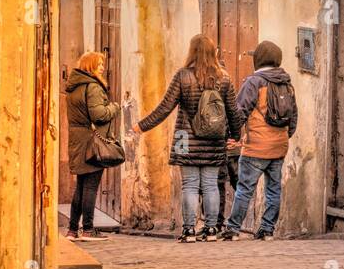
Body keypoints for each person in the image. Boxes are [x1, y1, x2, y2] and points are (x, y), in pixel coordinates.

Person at [134, 33, 242, 243]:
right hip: (214, 139)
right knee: (211, 184)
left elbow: (165, 107)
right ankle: (211, 230)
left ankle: (189, 230)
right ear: (213, 52)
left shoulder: (183, 76)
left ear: (192, 51)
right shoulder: (224, 78)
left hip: (185, 138)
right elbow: (233, 111)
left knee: (190, 185)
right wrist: (235, 136)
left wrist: (142, 126)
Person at [222, 40, 297, 241]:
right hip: (278, 147)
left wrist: (234, 137)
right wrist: (282, 138)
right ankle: (267, 230)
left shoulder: (254, 82)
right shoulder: (287, 84)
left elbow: (240, 112)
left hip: (256, 147)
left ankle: (233, 229)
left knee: (245, 189)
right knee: (274, 189)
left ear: (259, 59)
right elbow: (293, 118)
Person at [65, 51, 120, 241]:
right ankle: (88, 229)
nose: (103, 68)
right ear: (90, 66)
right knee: (90, 187)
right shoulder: (93, 87)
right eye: (99, 64)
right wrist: (115, 107)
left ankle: (73, 230)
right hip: (91, 142)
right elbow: (99, 115)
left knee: (81, 186)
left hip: (77, 139)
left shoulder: (73, 87)